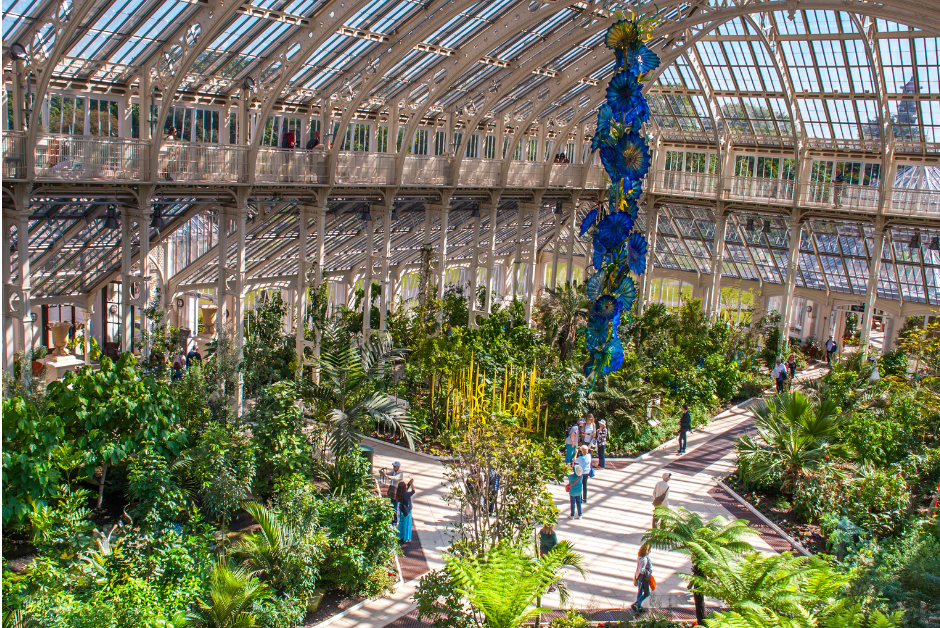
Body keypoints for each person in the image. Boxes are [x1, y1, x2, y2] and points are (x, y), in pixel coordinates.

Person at [631, 543, 654, 613]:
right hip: (643, 578)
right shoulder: (644, 559)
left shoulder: (639, 556)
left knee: (640, 591)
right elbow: (642, 570)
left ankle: (639, 606)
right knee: (647, 593)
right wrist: (648, 572)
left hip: (639, 576)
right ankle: (636, 604)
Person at [539, 523, 559, 592]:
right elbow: (556, 545)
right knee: (551, 570)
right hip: (550, 554)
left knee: (543, 568)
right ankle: (551, 586)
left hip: (542, 552)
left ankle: (542, 584)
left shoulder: (541, 532)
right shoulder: (553, 535)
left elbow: (539, 539)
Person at [396, 478, 415, 542]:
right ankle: (406, 537)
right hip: (407, 510)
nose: (407, 485)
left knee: (402, 522)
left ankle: (400, 535)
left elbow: (407, 487)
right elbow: (413, 491)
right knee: (407, 523)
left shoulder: (400, 493)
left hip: (402, 509)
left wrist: (409, 483)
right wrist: (412, 484)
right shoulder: (406, 494)